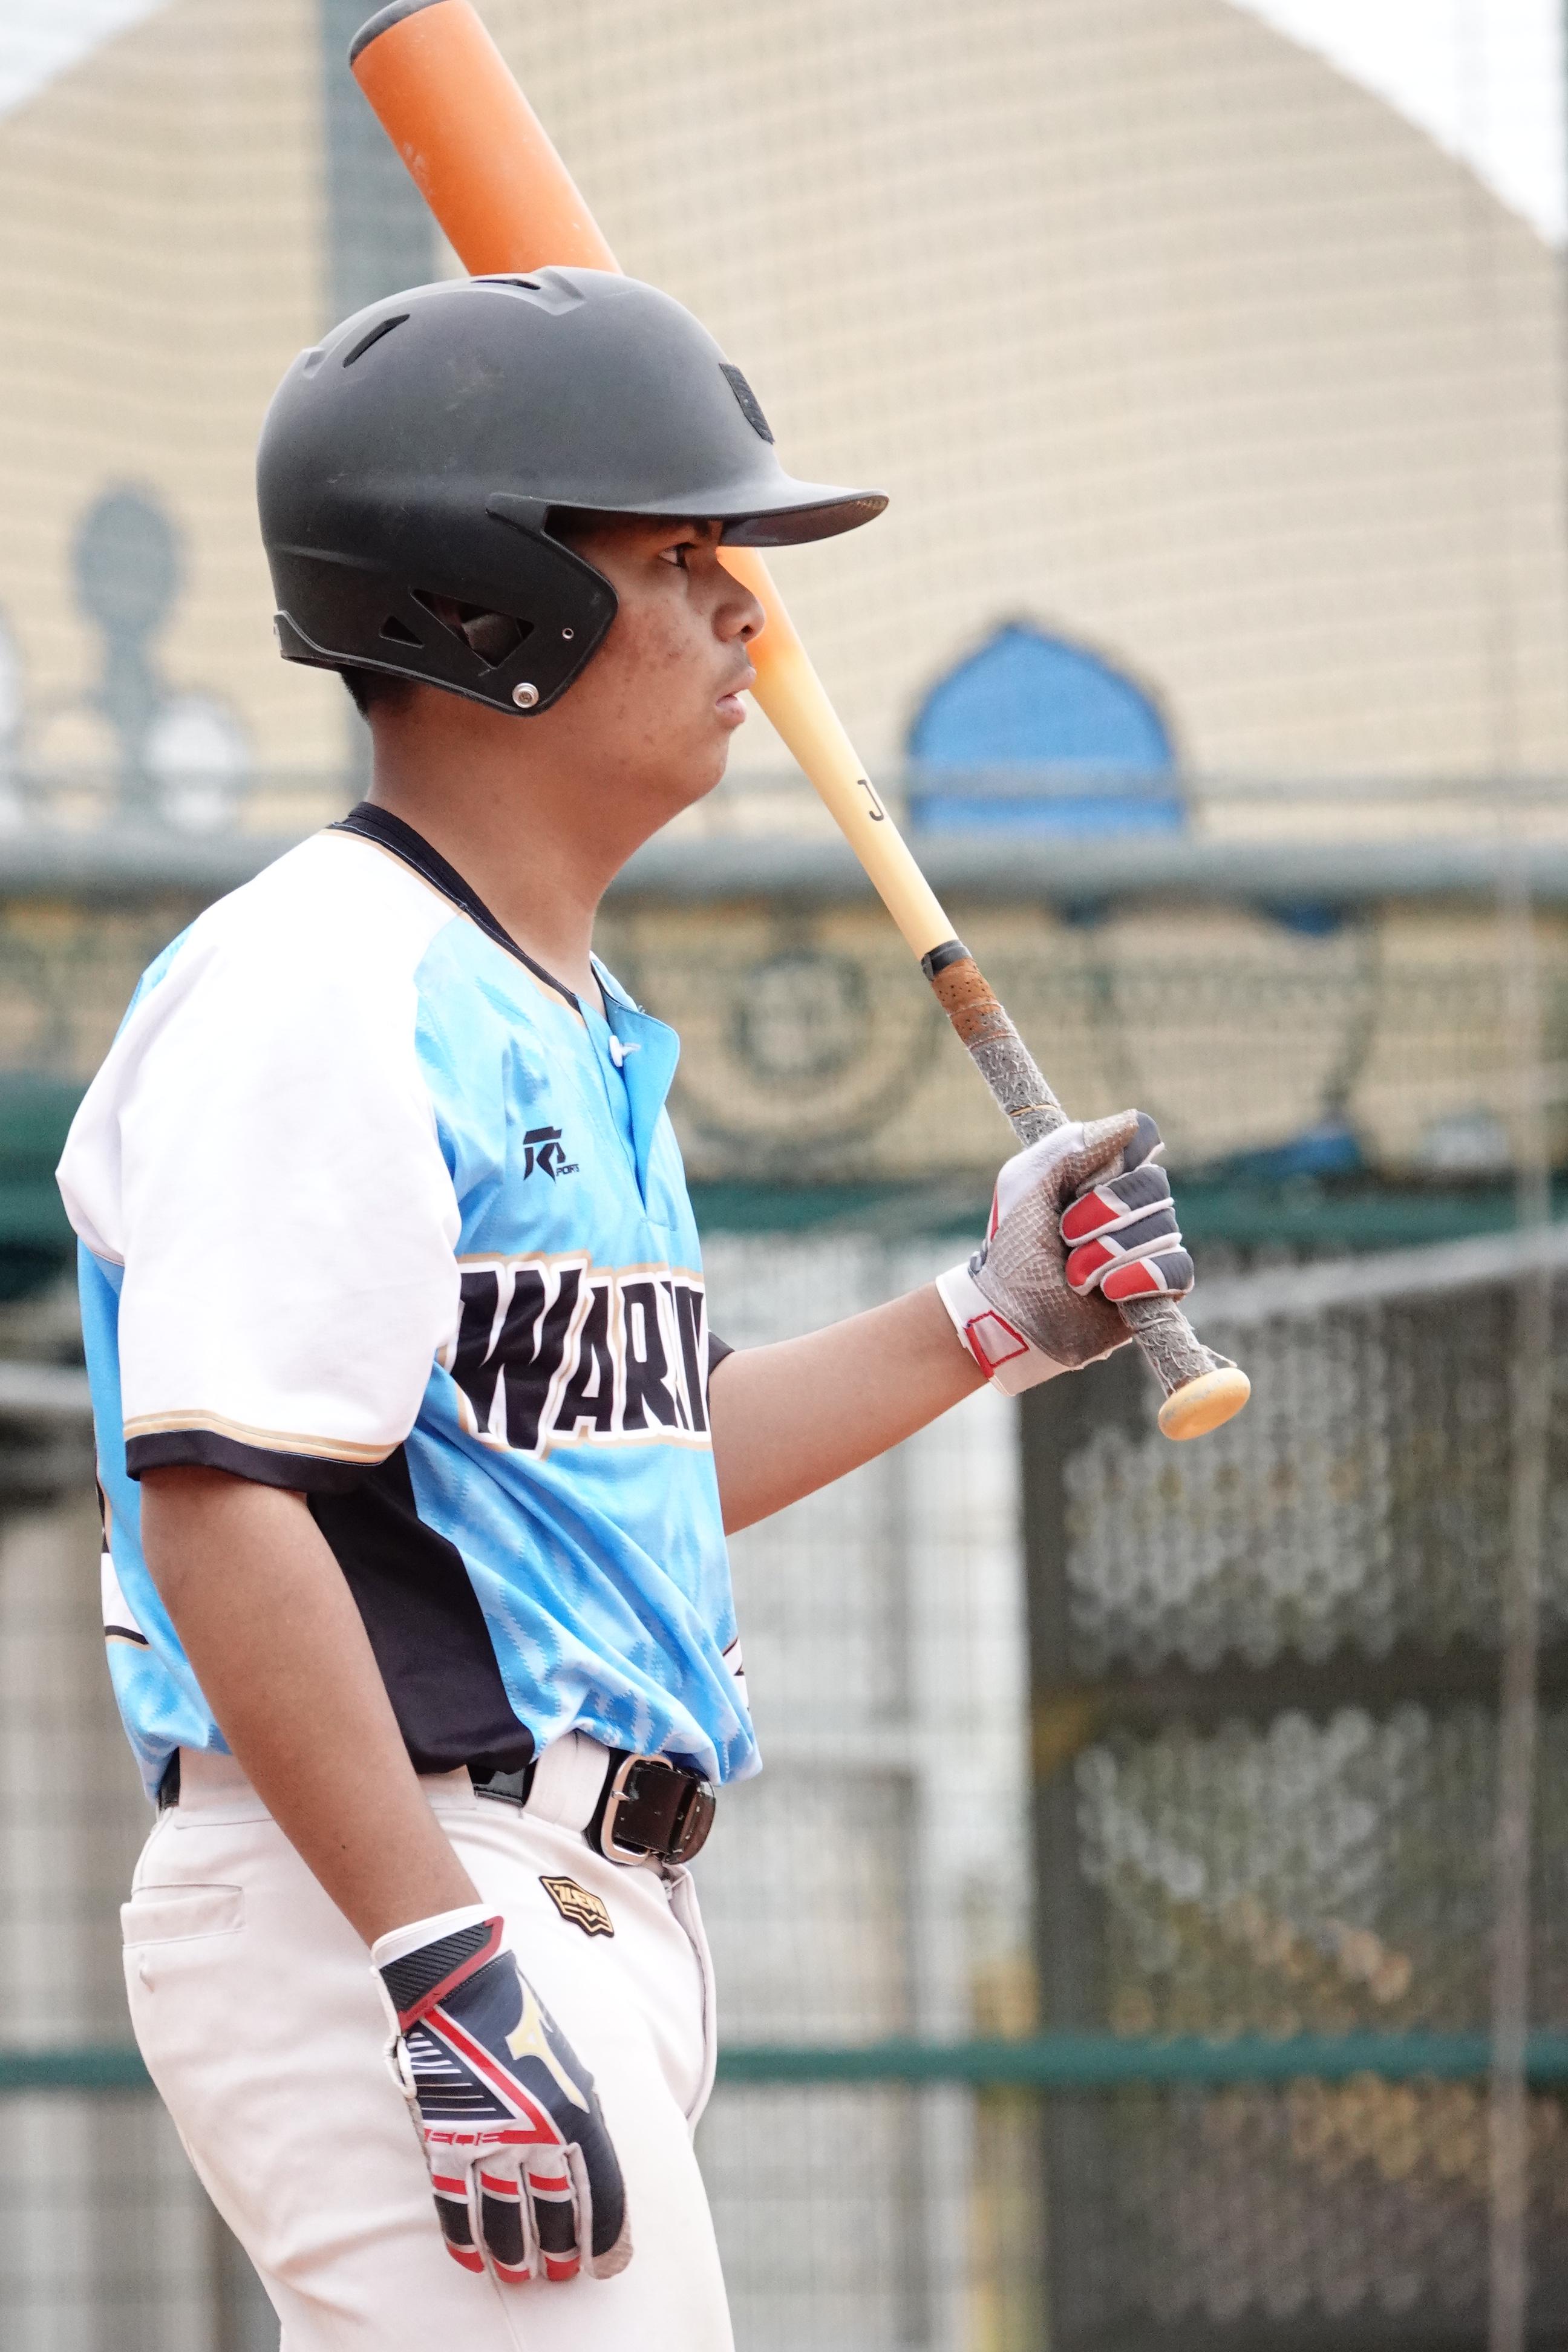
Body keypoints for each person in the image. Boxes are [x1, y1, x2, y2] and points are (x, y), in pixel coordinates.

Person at [56, 269, 1195, 2352]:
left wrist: (996, 1312)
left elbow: (631, 1467)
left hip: (559, 1893)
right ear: (482, 604)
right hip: (398, 1875)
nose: (747, 608)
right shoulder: (326, 977)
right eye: (677, 555)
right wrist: (433, 1961)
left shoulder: (550, 1008)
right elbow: (223, 1504)